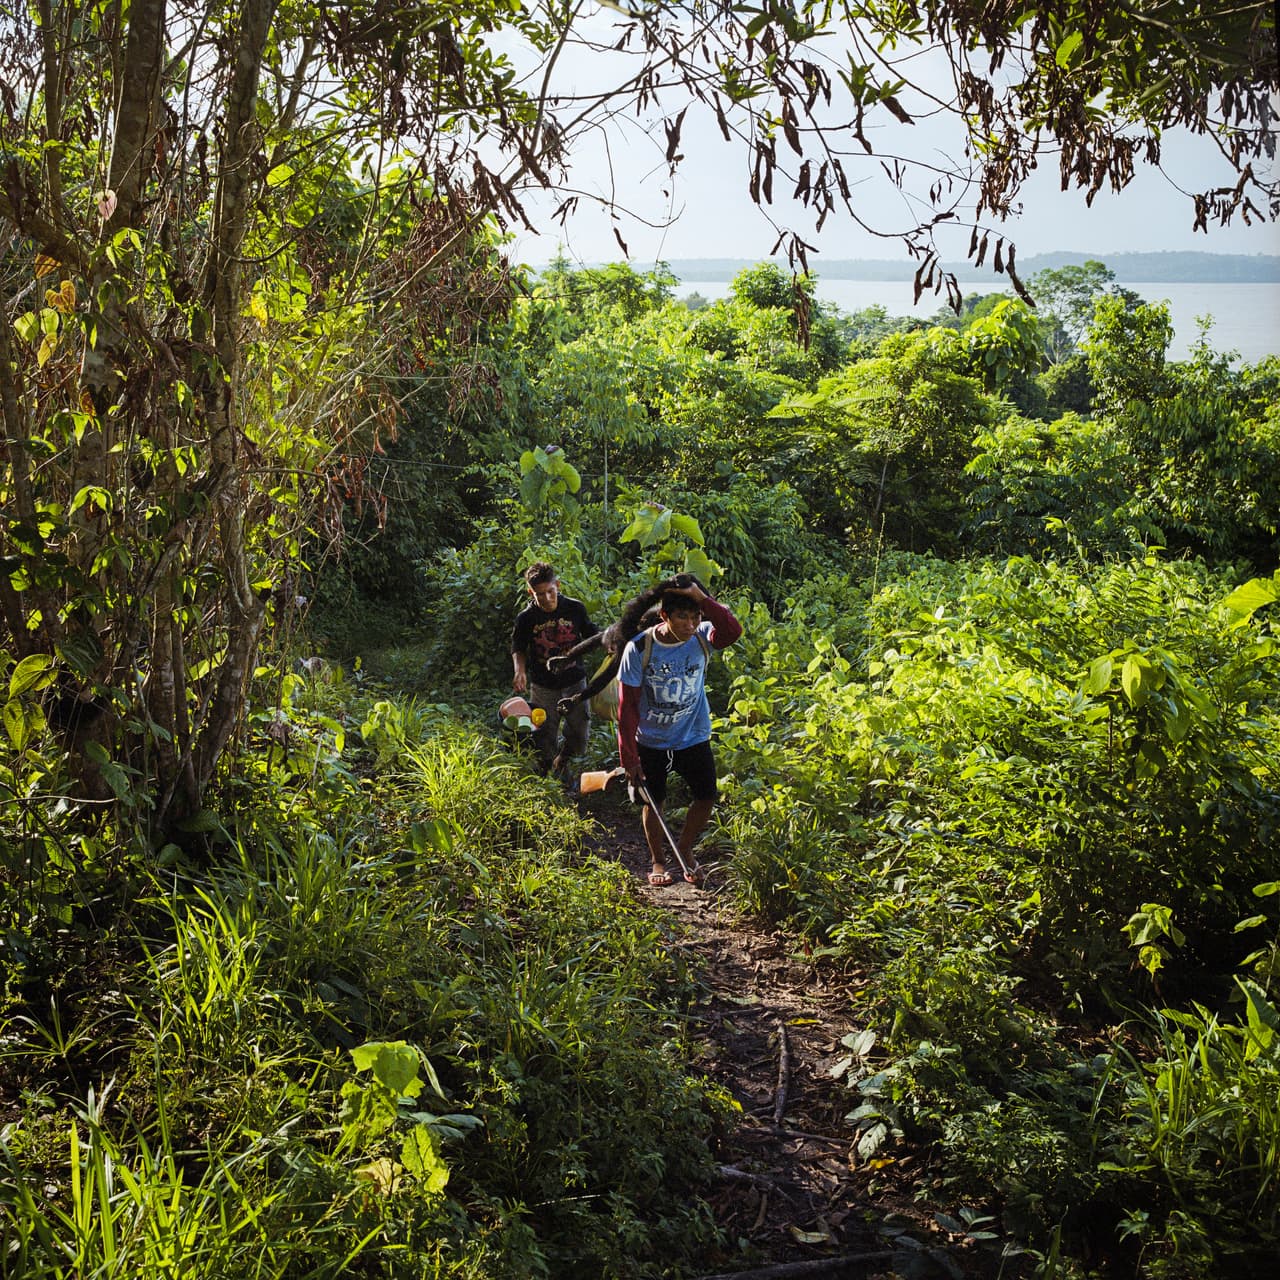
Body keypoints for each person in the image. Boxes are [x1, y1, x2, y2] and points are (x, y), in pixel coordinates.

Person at [617, 577, 742, 886]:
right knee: (654, 803)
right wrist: (629, 758)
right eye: (682, 617)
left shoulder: (703, 637)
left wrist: (702, 598)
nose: (690, 624)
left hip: (692, 735)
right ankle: (658, 860)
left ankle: (685, 848)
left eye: (695, 616)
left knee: (706, 796)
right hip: (651, 741)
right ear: (665, 616)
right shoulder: (639, 648)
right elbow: (627, 707)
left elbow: (732, 630)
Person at [510, 562, 599, 778]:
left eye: (550, 591)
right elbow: (518, 647)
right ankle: (547, 773)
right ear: (531, 592)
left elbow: (592, 634)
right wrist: (519, 671)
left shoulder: (575, 609)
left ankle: (565, 761)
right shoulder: (526, 618)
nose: (547, 598)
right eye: (540, 594)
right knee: (544, 732)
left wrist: (612, 642)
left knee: (579, 730)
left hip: (575, 681)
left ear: (557, 585)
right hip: (544, 685)